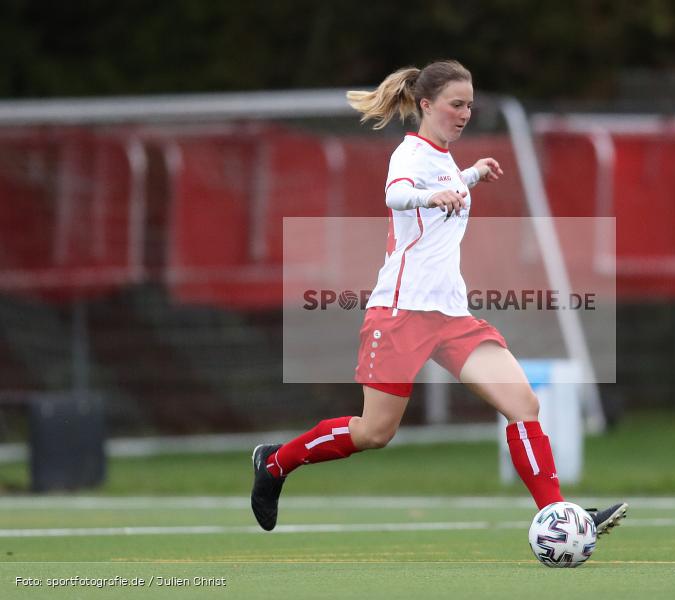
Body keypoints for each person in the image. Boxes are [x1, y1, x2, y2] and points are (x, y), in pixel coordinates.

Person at [252, 60, 627, 531]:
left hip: (450, 316)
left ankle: (560, 516)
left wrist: (470, 176)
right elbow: (397, 195)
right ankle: (274, 464)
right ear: (426, 105)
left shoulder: (444, 159)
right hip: (400, 313)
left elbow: (441, 189)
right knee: (375, 432)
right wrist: (428, 198)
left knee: (524, 405)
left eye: (470, 104)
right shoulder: (409, 155)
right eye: (456, 104)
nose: (465, 112)